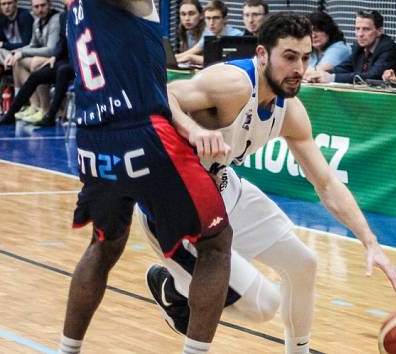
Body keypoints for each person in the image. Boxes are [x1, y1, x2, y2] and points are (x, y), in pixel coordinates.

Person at [140, 12, 396, 354]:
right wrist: (194, 130)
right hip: (176, 207)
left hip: (223, 188)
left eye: (306, 57)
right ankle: (174, 289)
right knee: (263, 306)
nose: (299, 68)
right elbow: (161, 93)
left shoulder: (290, 111)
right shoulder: (233, 85)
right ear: (263, 55)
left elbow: (325, 182)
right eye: (289, 57)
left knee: (304, 264)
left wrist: (370, 241)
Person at [58, 1, 233, 354]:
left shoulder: (76, 9)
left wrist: (186, 124)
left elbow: (154, 80)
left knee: (103, 244)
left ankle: (67, 350)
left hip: (93, 136)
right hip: (141, 133)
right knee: (215, 243)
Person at [0, 10, 72, 126]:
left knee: (62, 71)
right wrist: (55, 56)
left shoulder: (86, 15)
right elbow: (61, 41)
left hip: (81, 61)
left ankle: (50, 115)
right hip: (64, 59)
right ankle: (10, 115)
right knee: (36, 76)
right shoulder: (64, 16)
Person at [306, 10, 396, 84]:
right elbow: (342, 68)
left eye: (366, 29)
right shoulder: (358, 46)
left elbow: (373, 76)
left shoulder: (387, 47)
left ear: (379, 31)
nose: (360, 34)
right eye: (357, 29)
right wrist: (320, 75)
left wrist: (332, 78)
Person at [3, 0, 59, 123]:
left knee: (35, 63)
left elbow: (51, 49)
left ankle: (45, 109)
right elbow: (32, 45)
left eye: (43, 5)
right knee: (17, 61)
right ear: (32, 8)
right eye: (36, 7)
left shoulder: (56, 19)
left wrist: (22, 53)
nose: (40, 9)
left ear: (50, 5)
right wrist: (14, 53)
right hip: (46, 57)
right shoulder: (37, 22)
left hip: (58, 58)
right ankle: (35, 106)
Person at [176, 0, 243, 66]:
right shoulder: (208, 33)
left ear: (225, 19)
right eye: (208, 18)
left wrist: (192, 58)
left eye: (216, 18)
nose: (211, 23)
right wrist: (170, 58)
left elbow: (224, 61)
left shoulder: (236, 36)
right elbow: (190, 52)